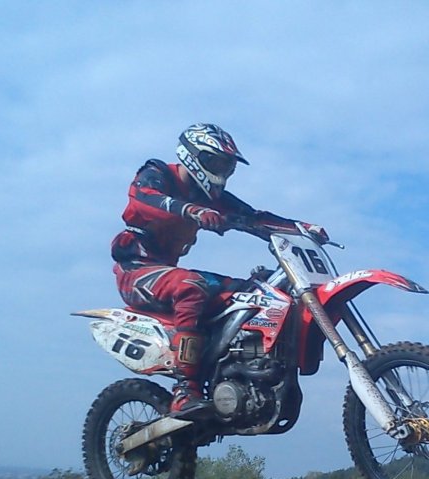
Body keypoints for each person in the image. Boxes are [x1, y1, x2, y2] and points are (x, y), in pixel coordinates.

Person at [110, 123, 328, 418]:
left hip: (167, 272)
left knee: (257, 292)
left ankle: (234, 369)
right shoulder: (158, 173)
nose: (221, 172)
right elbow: (144, 196)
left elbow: (253, 217)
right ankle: (185, 389)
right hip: (136, 272)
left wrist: (300, 228)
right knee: (192, 285)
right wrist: (192, 210)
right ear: (193, 155)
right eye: (216, 163)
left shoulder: (210, 198)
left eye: (227, 166)